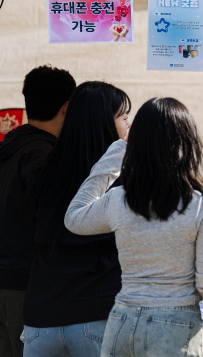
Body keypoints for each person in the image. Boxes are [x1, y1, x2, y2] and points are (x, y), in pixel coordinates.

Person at [64, 97, 203, 357]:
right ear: (188, 143)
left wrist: (118, 150)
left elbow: (74, 218)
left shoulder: (120, 199)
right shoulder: (201, 204)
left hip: (122, 321)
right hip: (176, 326)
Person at [23, 81, 130, 357]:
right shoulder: (118, 179)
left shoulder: (45, 171)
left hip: (41, 316)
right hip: (97, 312)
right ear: (104, 123)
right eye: (124, 117)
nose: (129, 125)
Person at [0, 65, 75, 357]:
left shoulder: (10, 148)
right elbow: (51, 222)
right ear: (66, 108)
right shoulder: (43, 156)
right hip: (26, 284)